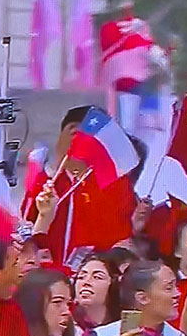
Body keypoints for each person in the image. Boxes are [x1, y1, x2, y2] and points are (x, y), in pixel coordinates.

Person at [21, 106, 138, 264]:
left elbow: (122, 234)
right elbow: (27, 228)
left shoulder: (115, 186)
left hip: (93, 277)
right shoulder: (47, 182)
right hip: (47, 274)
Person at [72, 253, 121, 335]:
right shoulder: (68, 327)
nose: (86, 282)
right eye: (81, 277)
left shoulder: (120, 327)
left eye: (97, 277)